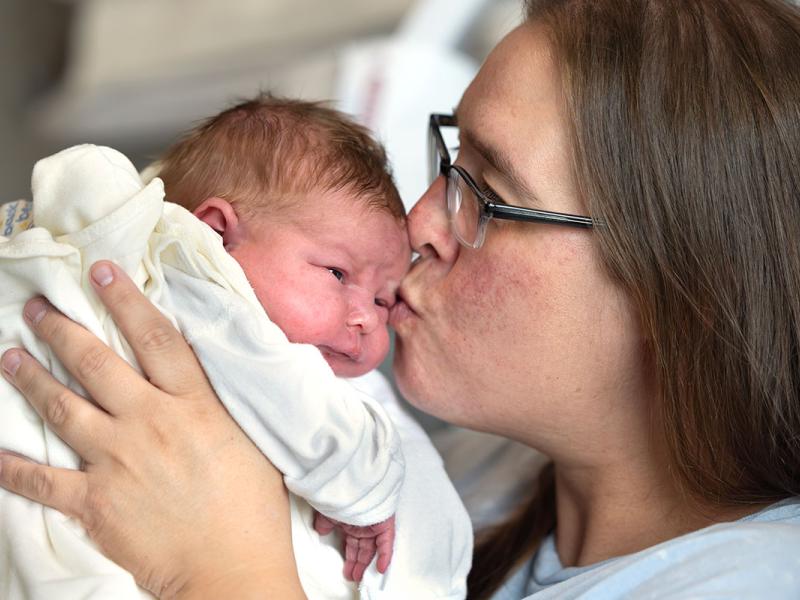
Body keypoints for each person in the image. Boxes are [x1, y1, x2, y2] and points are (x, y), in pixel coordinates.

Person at [2, 0, 800, 597]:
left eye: (487, 193)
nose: (417, 221)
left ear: (675, 294)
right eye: (451, 160)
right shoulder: (484, 481)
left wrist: (223, 566)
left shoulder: (752, 584)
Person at [0, 97, 471, 599]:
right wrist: (366, 495)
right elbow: (302, 409)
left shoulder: (328, 365)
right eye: (338, 274)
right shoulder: (211, 291)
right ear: (216, 235)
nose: (366, 317)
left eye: (382, 300)